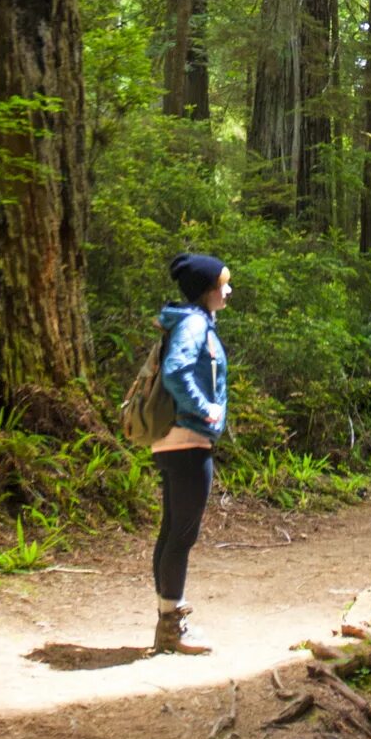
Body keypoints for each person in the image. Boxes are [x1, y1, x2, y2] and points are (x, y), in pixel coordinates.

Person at [151, 250, 229, 654]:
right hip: (187, 440)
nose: (227, 291)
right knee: (182, 535)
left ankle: (167, 623)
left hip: (175, 441)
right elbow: (176, 371)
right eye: (222, 284)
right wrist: (206, 409)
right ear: (205, 290)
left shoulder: (193, 321)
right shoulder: (194, 325)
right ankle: (171, 628)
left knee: (172, 533)